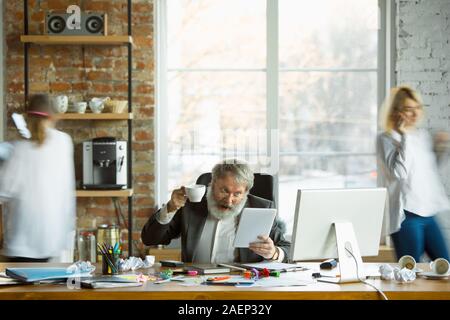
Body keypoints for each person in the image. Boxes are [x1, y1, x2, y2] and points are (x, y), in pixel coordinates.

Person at [141, 159, 290, 263]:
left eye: (237, 194)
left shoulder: (261, 208)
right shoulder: (192, 205)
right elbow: (150, 239)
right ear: (212, 184)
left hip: (244, 284)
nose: (229, 200)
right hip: (196, 284)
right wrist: (170, 208)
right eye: (224, 191)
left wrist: (274, 253)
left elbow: (287, 249)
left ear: (246, 192)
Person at [377, 85, 450, 262]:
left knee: (445, 269)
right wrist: (404, 137)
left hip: (428, 213)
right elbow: (399, 173)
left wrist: (440, 149)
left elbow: (427, 172)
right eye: (409, 109)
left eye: (417, 108)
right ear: (396, 112)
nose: (415, 114)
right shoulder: (386, 138)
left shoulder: (421, 136)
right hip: (407, 217)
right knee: (410, 274)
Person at [0, 94, 76, 262]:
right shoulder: (65, 142)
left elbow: (4, 191)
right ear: (53, 116)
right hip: (53, 241)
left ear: (27, 117)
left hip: (22, 243)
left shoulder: (19, 149)